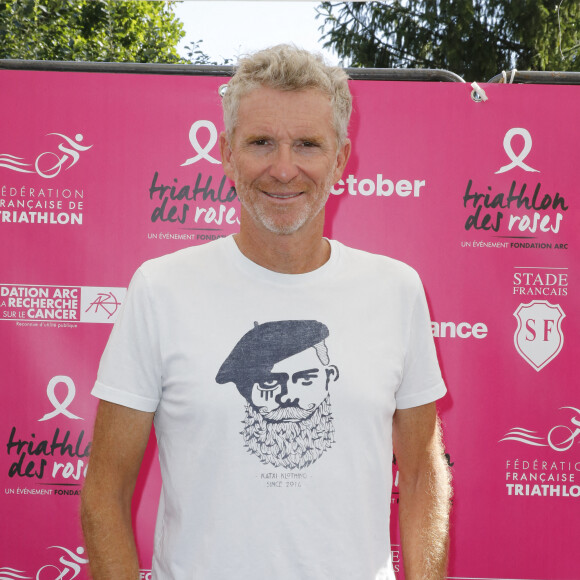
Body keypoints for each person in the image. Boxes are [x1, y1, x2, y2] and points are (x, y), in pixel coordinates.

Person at [81, 44, 451, 580]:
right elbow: (104, 491)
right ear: (228, 154)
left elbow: (423, 475)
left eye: (307, 144)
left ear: (341, 158)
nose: (284, 169)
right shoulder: (160, 289)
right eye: (260, 143)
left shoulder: (396, 289)